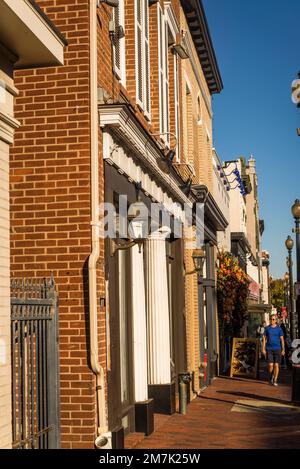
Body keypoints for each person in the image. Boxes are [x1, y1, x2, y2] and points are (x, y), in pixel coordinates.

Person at [262, 313, 285, 386]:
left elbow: (282, 340)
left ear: (276, 321)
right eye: (271, 319)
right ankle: (271, 375)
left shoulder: (279, 329)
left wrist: (283, 349)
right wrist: (263, 349)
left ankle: (275, 380)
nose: (272, 320)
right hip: (269, 349)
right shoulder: (267, 329)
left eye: (273, 319)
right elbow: (264, 339)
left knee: (276, 365)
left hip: (277, 349)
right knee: (270, 365)